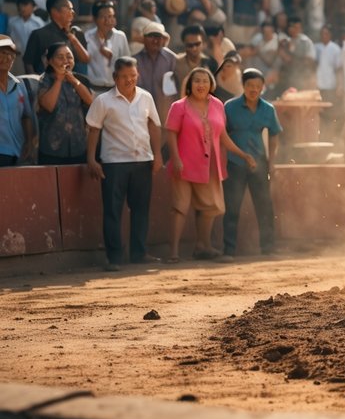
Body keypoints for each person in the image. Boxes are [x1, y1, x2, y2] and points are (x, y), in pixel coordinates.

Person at [165, 67, 254, 263]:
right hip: (184, 164)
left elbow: (222, 136)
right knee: (180, 207)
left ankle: (202, 246)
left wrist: (242, 154)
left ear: (211, 84)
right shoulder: (179, 106)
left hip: (208, 166)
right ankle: (173, 252)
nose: (201, 85)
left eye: (205, 81)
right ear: (190, 84)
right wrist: (176, 158)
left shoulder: (217, 105)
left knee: (213, 207)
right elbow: (170, 133)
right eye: (196, 81)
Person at [86, 56, 162, 268]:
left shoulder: (145, 97)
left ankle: (139, 253)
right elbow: (93, 129)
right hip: (114, 163)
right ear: (115, 77)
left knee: (141, 210)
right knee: (112, 211)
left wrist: (158, 155)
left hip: (143, 161)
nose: (129, 80)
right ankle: (115, 257)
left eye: (133, 76)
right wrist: (91, 159)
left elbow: (153, 126)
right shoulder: (103, 100)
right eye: (125, 76)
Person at [223, 68, 282, 257]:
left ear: (263, 87)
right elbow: (222, 134)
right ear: (243, 86)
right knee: (232, 207)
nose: (254, 89)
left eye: (258, 86)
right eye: (250, 85)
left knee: (264, 206)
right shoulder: (229, 107)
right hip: (235, 162)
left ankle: (268, 248)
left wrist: (272, 162)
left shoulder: (268, 109)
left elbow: (274, 135)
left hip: (259, 163)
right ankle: (229, 250)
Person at [36, 42, 94, 165]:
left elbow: (91, 102)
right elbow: (48, 106)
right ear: (50, 61)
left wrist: (73, 81)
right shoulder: (44, 80)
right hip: (52, 149)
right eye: (60, 57)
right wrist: (59, 79)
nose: (65, 60)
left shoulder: (80, 80)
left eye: (69, 56)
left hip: (78, 147)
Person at [24, 0, 89, 76]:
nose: (73, 12)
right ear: (55, 12)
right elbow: (28, 63)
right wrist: (37, 84)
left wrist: (73, 38)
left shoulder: (76, 33)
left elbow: (85, 59)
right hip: (47, 84)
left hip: (69, 84)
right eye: (69, 8)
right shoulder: (39, 34)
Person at [0, 36, 35, 166]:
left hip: (18, 151)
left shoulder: (19, 85)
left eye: (11, 54)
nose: (8, 58)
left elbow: (26, 116)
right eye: (3, 53)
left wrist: (29, 142)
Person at [84, 1, 130, 92]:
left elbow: (127, 63)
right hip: (93, 88)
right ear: (95, 19)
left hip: (115, 89)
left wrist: (112, 57)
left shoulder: (120, 36)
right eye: (103, 17)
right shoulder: (87, 36)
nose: (108, 21)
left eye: (111, 16)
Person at [7, 0, 44, 65]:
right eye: (20, 5)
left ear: (33, 6)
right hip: (17, 57)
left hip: (35, 57)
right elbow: (9, 37)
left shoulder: (38, 23)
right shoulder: (12, 22)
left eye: (25, 5)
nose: (22, 8)